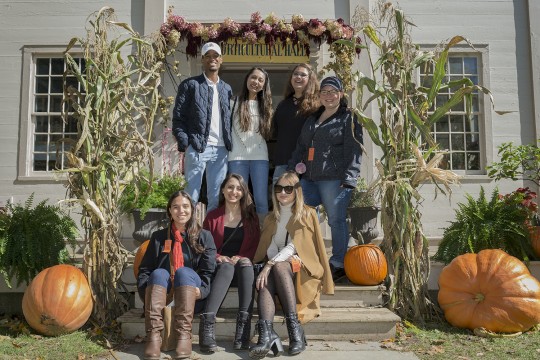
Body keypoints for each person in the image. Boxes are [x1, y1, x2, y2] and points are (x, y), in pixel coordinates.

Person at [249, 171, 334, 359]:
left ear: (297, 191)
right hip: (281, 266)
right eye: (279, 188)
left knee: (276, 267)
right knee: (269, 274)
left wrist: (270, 264)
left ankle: (294, 329)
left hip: (302, 267)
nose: (283, 192)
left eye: (289, 188)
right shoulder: (272, 217)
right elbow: (270, 246)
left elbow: (294, 245)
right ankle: (266, 333)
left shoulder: (307, 213)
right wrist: (269, 264)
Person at [288, 76, 363, 282]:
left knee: (336, 221)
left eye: (333, 91)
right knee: (301, 219)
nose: (328, 96)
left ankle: (338, 262)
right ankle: (304, 259)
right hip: (309, 179)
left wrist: (349, 179)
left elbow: (354, 150)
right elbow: (301, 148)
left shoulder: (348, 118)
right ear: (319, 96)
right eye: (324, 92)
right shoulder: (312, 119)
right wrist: (291, 170)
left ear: (340, 94)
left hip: (334, 179)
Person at [137, 191, 217, 360]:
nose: (181, 210)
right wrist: (146, 292)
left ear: (192, 209)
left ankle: (184, 336)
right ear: (170, 211)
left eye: (185, 206)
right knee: (158, 273)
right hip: (162, 292)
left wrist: (202, 291)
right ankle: (153, 336)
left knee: (183, 272)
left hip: (191, 293)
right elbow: (145, 270)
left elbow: (208, 273)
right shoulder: (158, 237)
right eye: (176, 207)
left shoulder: (205, 237)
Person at [200, 173, 260, 352]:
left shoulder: (251, 217)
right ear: (223, 190)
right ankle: (207, 329)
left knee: (246, 264)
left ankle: (243, 331)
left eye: (239, 188)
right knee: (226, 266)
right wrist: (218, 256)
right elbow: (204, 247)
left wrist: (241, 256)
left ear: (243, 192)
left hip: (243, 274)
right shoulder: (212, 217)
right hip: (220, 273)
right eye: (230, 187)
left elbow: (255, 246)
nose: (234, 191)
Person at [172, 41, 233, 212]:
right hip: (198, 147)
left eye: (215, 56)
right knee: (191, 195)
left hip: (221, 150)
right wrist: (187, 144)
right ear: (203, 60)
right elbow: (178, 117)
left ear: (221, 60)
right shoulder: (190, 85)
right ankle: (186, 236)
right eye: (208, 56)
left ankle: (210, 236)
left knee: (216, 197)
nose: (212, 59)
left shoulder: (226, 89)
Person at [228, 67, 273, 219]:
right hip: (236, 158)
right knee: (238, 199)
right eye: (254, 78)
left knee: (261, 200)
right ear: (247, 78)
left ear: (264, 85)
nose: (256, 82)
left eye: (261, 80)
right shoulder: (232, 102)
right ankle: (240, 234)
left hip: (260, 158)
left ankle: (262, 236)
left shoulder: (266, 107)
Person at [271, 63, 320, 184]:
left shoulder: (317, 106)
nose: (298, 77)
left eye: (303, 75)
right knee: (280, 201)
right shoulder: (283, 105)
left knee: (304, 202)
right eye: (295, 74)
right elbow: (275, 132)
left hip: (307, 166)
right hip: (282, 163)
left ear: (310, 80)